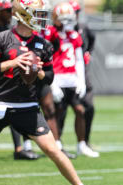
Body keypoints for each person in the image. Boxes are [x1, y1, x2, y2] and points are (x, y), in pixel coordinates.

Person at [0, 0, 105, 185]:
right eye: (36, 13)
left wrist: (37, 71)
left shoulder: (43, 44)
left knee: (53, 149)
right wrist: (13, 63)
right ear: (23, 14)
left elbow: (49, 77)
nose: (41, 18)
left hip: (26, 106)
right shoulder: (2, 38)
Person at [45, 2, 99, 158]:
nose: (67, 22)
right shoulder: (50, 34)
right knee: (57, 113)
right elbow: (48, 58)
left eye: (69, 19)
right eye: (64, 19)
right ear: (56, 19)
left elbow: (79, 59)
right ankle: (57, 144)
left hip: (72, 79)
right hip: (58, 79)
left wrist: (81, 81)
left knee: (80, 110)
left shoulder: (74, 35)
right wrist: (53, 83)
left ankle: (81, 144)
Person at [0, 0, 39, 160]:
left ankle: (20, 147)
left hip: (5, 86)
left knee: (14, 109)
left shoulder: (9, 31)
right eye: (7, 11)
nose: (10, 14)